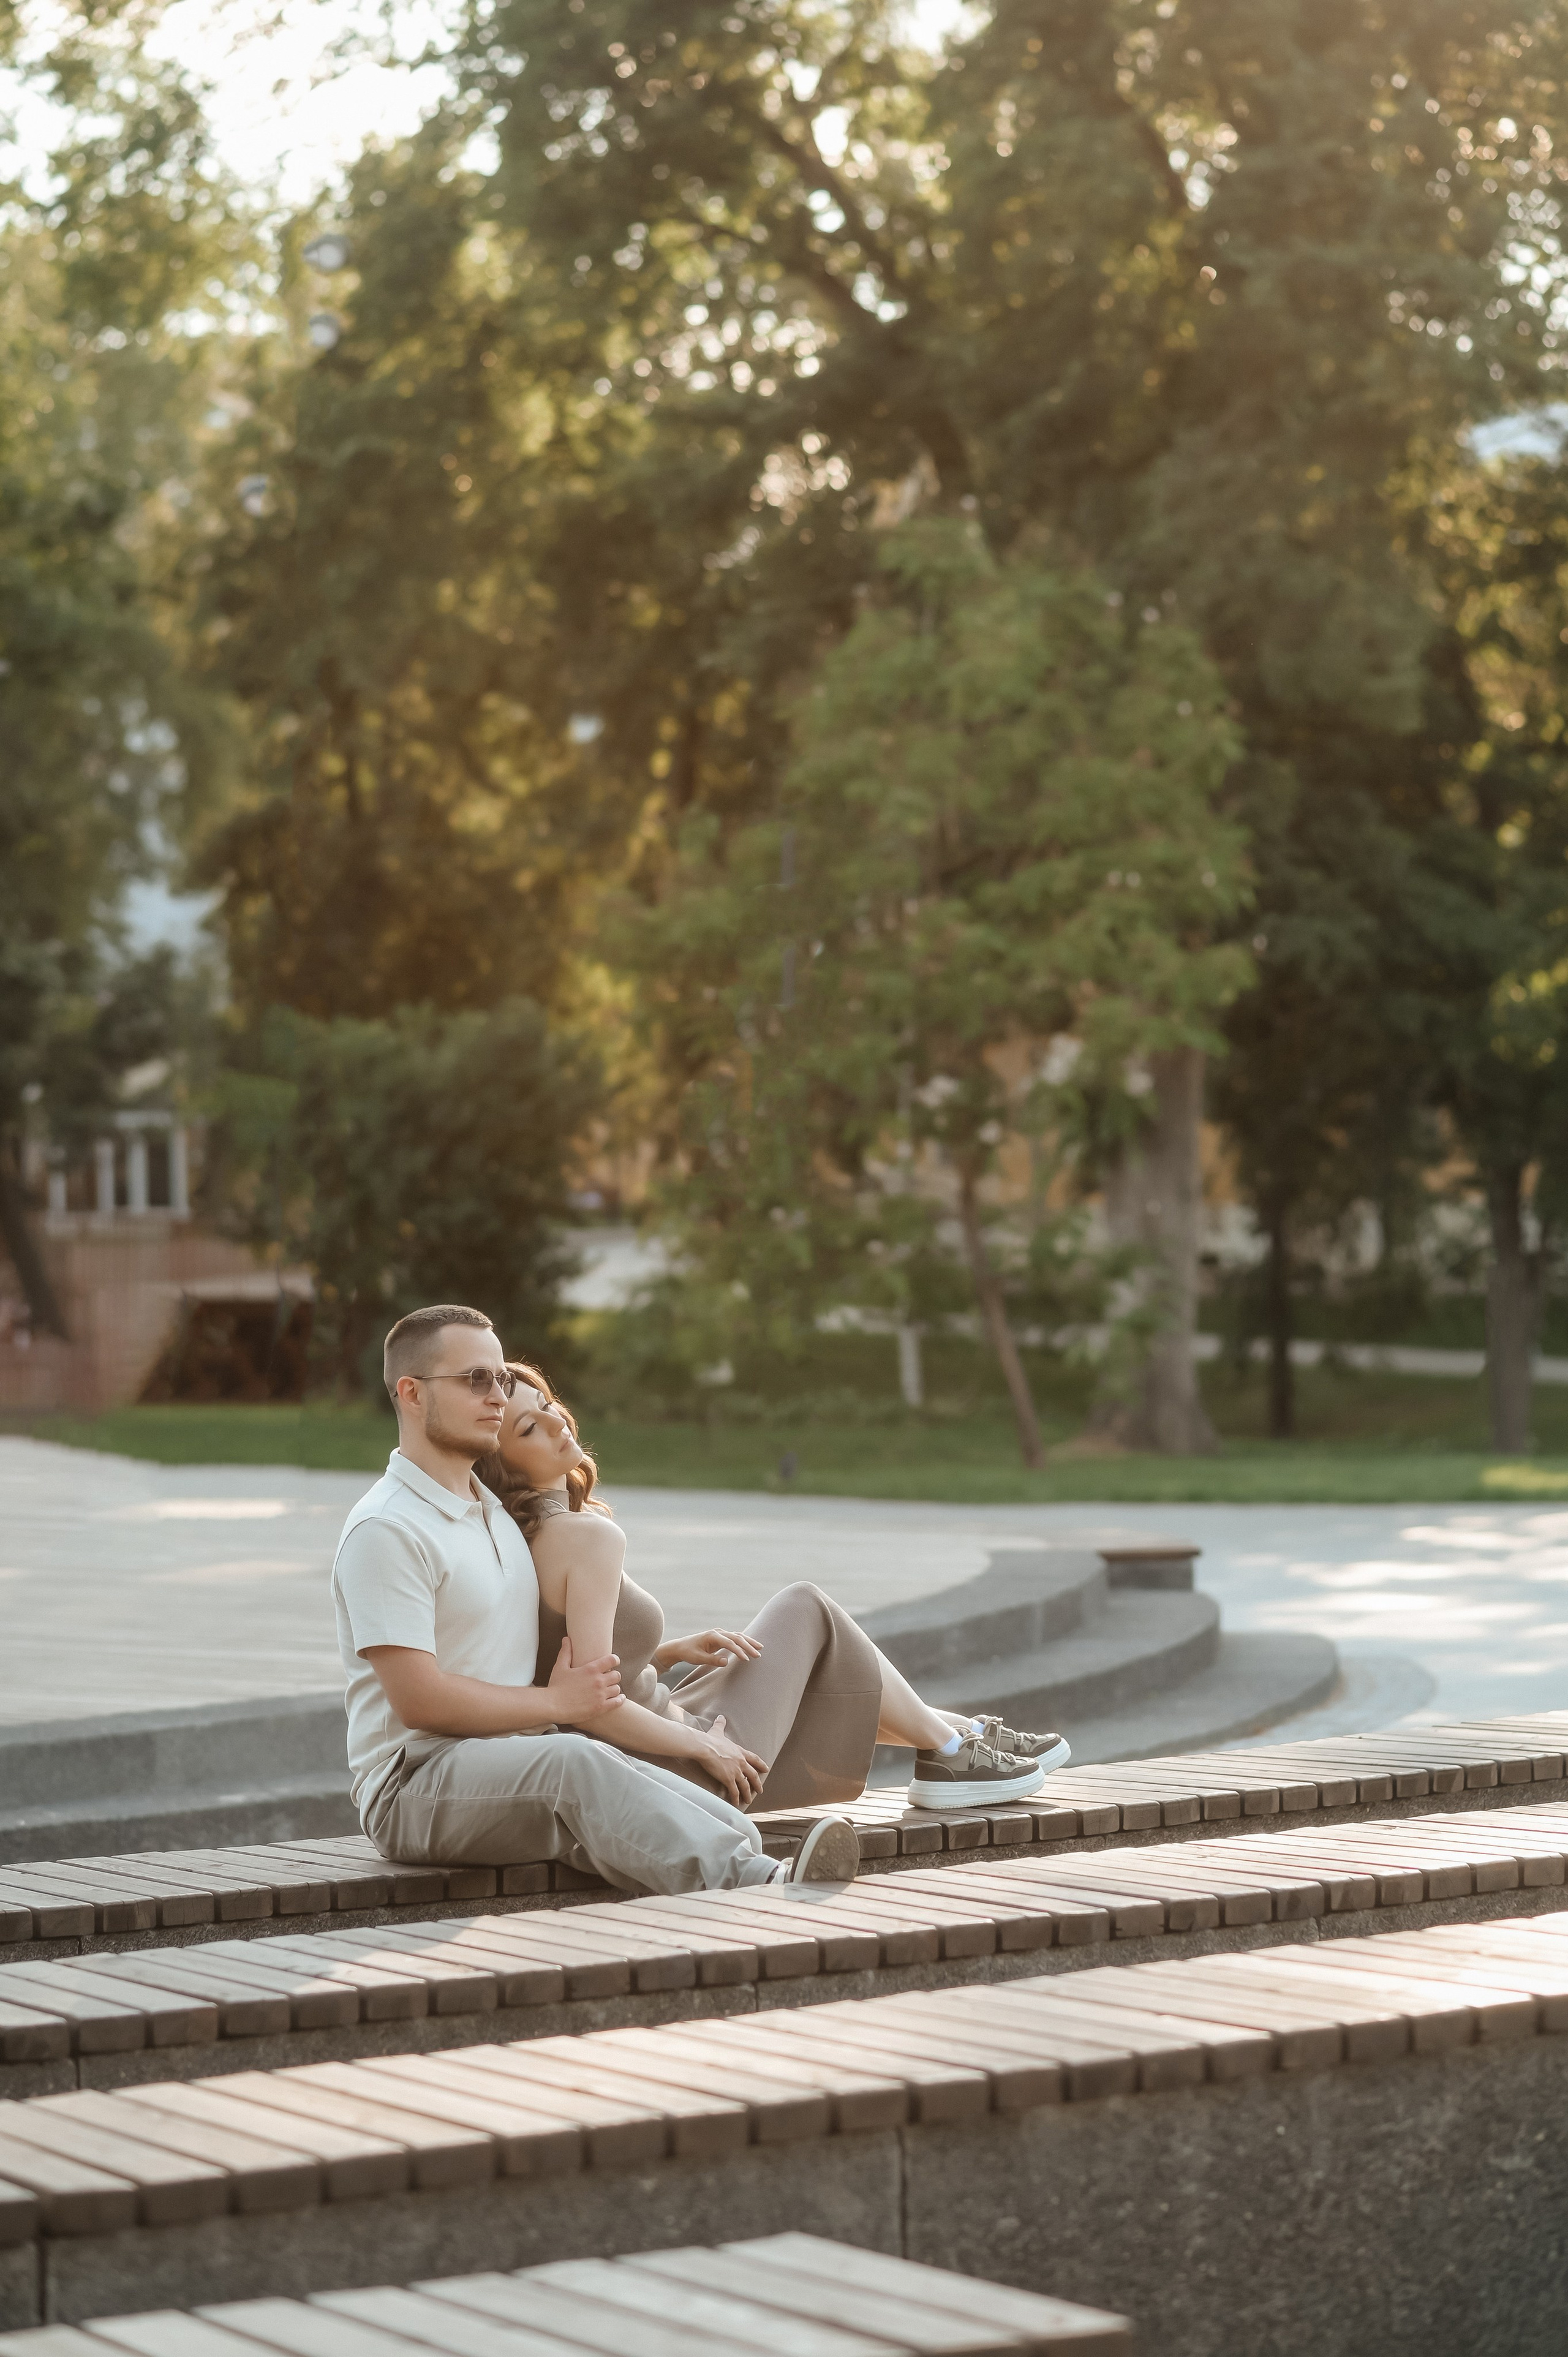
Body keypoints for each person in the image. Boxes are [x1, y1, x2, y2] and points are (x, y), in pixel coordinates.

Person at [330, 1303, 859, 1893]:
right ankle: (770, 1887)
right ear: (411, 1393)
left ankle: (728, 1891)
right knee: (578, 1766)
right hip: (415, 1786)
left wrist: (656, 1655)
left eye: (501, 1378)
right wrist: (559, 1703)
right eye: (475, 1380)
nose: (498, 1397)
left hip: (518, 1759)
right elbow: (420, 1702)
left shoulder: (493, 1511)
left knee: (726, 1823)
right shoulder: (387, 1529)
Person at [477, 1361, 1071, 1816]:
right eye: (529, 1426)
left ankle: (959, 1736)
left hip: (659, 1739)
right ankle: (950, 1750)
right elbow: (595, 1706)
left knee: (807, 1665)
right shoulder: (584, 1537)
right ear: (504, 1466)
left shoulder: (519, 1539)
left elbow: (572, 1667)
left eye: (549, 1403)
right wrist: (710, 1751)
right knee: (806, 1607)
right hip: (681, 1760)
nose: (556, 1420)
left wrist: (667, 1650)